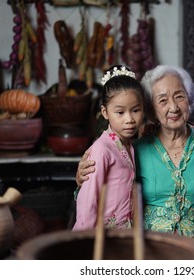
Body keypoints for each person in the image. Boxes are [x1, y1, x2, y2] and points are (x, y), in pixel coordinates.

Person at [76, 65, 194, 238]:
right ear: (151, 109)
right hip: (146, 248)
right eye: (162, 100)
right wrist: (80, 180)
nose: (174, 107)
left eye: (179, 97)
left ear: (189, 100)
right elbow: (94, 199)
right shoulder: (135, 149)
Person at [72, 65, 145, 231]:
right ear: (105, 112)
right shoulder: (101, 150)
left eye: (135, 110)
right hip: (99, 235)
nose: (129, 119)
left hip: (125, 232)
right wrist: (86, 239)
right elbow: (88, 201)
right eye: (120, 112)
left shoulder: (130, 145)